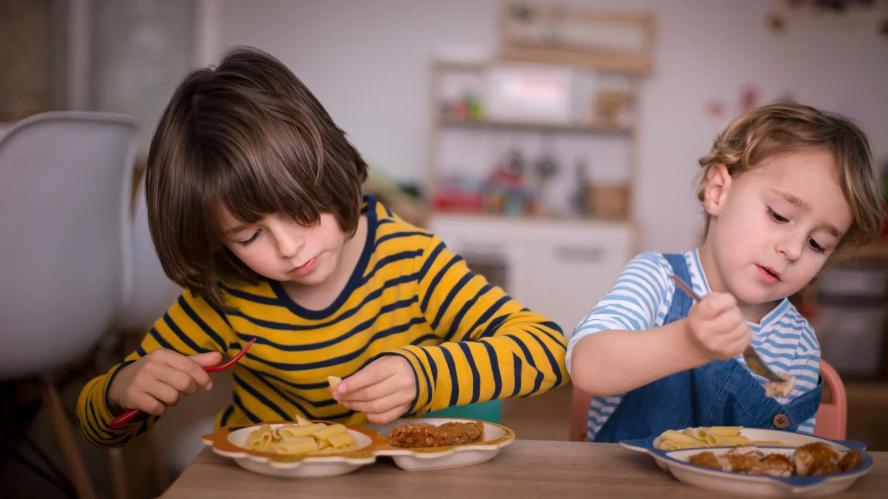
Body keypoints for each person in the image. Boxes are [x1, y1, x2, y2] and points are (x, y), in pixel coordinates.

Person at [77, 47, 567, 446]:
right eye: (250, 236)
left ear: (327, 166)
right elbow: (99, 428)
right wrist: (122, 391)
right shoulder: (224, 296)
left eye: (299, 208)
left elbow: (549, 349)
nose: (289, 247)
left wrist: (423, 373)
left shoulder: (410, 261)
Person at [568, 102, 886, 442]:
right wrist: (689, 343)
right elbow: (588, 366)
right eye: (779, 216)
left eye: (817, 244)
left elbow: (792, 457)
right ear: (718, 191)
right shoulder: (659, 279)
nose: (792, 250)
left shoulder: (798, 346)